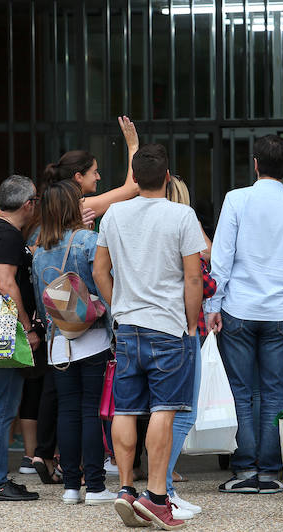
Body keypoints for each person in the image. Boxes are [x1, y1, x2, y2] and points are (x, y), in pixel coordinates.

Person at [206, 134, 283, 494]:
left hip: (238, 308)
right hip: (279, 311)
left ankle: (244, 471)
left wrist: (213, 306)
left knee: (242, 392)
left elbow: (221, 260)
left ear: (255, 164)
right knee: (274, 393)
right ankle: (271, 472)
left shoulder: (236, 200)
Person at [94, 144, 204, 529]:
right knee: (164, 408)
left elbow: (99, 271)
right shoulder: (182, 215)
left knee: (125, 408)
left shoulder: (114, 215)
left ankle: (125, 488)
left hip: (127, 327)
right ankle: (156, 496)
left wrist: (119, 304)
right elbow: (193, 277)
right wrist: (192, 321)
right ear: (168, 177)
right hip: (168, 325)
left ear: (134, 178)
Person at [31, 180, 114, 506]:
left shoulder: (39, 252)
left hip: (58, 343)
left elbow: (42, 304)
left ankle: (69, 487)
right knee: (91, 411)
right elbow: (105, 285)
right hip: (91, 338)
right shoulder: (89, 241)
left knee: (67, 411)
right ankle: (94, 486)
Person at [0, 175, 41, 501]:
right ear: (27, 204)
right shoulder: (8, 235)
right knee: (4, 406)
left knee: (3, 404)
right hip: (6, 329)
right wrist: (27, 329)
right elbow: (6, 284)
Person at [162, 175, 215, 521]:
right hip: (181, 327)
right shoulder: (184, 224)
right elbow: (206, 271)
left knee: (156, 410)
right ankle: (163, 488)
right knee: (182, 412)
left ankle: (154, 487)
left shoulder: (132, 220)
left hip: (142, 326)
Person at [41, 116, 140, 218]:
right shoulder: (76, 205)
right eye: (95, 172)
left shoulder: (60, 202)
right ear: (79, 177)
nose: (98, 177)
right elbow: (132, 188)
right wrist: (133, 146)